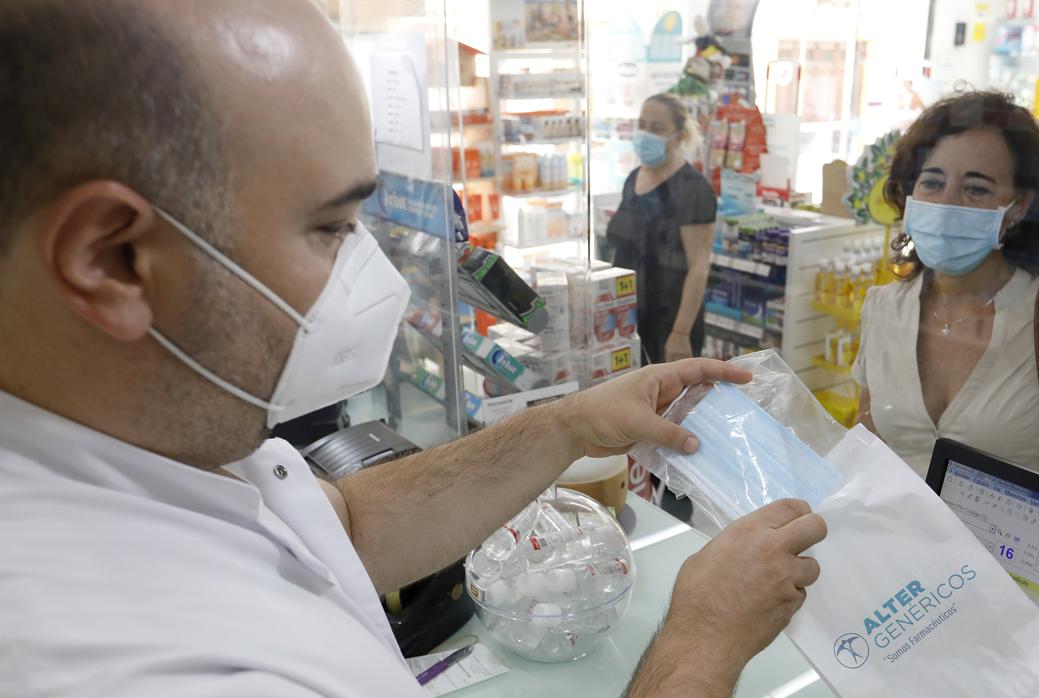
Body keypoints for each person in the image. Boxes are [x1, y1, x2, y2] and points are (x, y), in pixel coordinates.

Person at [0, 2, 826, 696]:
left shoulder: (151, 433)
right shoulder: (132, 666)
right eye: (331, 227)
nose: (374, 273)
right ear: (112, 260)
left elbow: (347, 526)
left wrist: (570, 425)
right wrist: (700, 642)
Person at [853, 91, 1039, 497]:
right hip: (891, 534)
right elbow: (864, 452)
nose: (947, 204)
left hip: (1008, 541)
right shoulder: (882, 308)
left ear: (1018, 207)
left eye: (977, 189)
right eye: (932, 182)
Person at [607, 92, 717, 364]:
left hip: (670, 323)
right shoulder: (633, 179)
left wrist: (680, 333)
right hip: (628, 316)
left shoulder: (693, 189)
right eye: (642, 125)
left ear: (679, 136)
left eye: (656, 128)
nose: (645, 134)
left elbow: (699, 267)